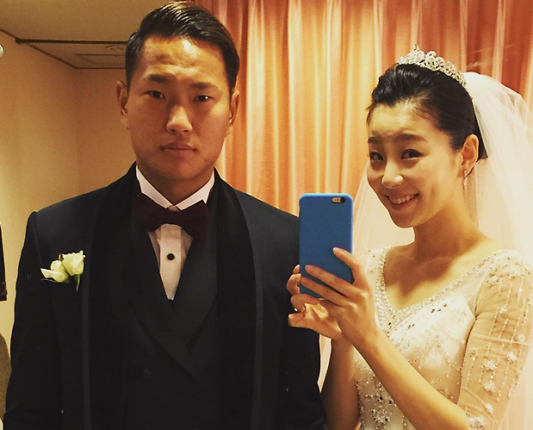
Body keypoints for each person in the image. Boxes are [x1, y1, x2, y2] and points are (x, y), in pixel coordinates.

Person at [4, 2, 324, 429]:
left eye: (201, 98)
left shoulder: (283, 242)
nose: (179, 121)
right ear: (123, 102)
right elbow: (30, 408)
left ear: (232, 110)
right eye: (157, 94)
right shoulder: (54, 233)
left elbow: (298, 412)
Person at [288, 47, 533, 430]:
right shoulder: (369, 267)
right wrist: (343, 340)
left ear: (466, 155)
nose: (388, 178)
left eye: (410, 153)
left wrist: (368, 337)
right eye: (376, 156)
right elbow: (339, 425)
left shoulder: (506, 278)